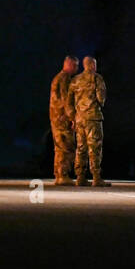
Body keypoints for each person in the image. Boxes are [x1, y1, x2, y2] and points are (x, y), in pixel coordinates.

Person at [70, 56, 108, 186]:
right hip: (92, 118)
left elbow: (69, 101)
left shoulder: (75, 80)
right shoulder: (97, 78)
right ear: (91, 65)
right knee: (95, 147)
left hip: (79, 119)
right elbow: (101, 99)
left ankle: (80, 177)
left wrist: (73, 117)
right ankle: (96, 177)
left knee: (81, 147)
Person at [48, 56, 79, 185]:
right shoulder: (65, 79)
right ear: (70, 65)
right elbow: (67, 101)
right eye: (76, 65)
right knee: (66, 146)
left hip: (56, 117)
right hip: (62, 118)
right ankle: (63, 175)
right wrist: (73, 118)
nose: (77, 69)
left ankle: (59, 174)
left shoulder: (57, 78)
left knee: (59, 146)